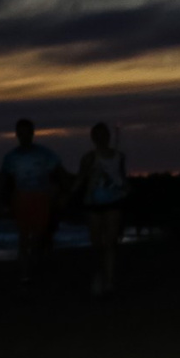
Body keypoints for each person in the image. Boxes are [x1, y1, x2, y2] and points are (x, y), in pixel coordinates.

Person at [0, 118, 69, 285]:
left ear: (32, 133)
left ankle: (36, 267)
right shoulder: (11, 157)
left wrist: (64, 194)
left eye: (26, 132)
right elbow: (3, 178)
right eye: (20, 133)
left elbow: (60, 172)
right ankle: (25, 276)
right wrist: (1, 200)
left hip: (41, 198)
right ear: (16, 134)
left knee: (39, 237)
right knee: (23, 237)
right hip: (21, 198)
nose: (23, 136)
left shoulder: (44, 153)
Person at [74, 121, 130, 296]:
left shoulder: (119, 156)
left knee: (111, 243)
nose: (101, 138)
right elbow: (81, 178)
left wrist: (127, 188)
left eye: (103, 134)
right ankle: (100, 272)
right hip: (93, 203)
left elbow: (121, 176)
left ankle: (109, 281)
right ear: (93, 138)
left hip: (114, 201)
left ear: (108, 136)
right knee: (97, 243)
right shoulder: (88, 157)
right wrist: (68, 194)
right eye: (97, 135)